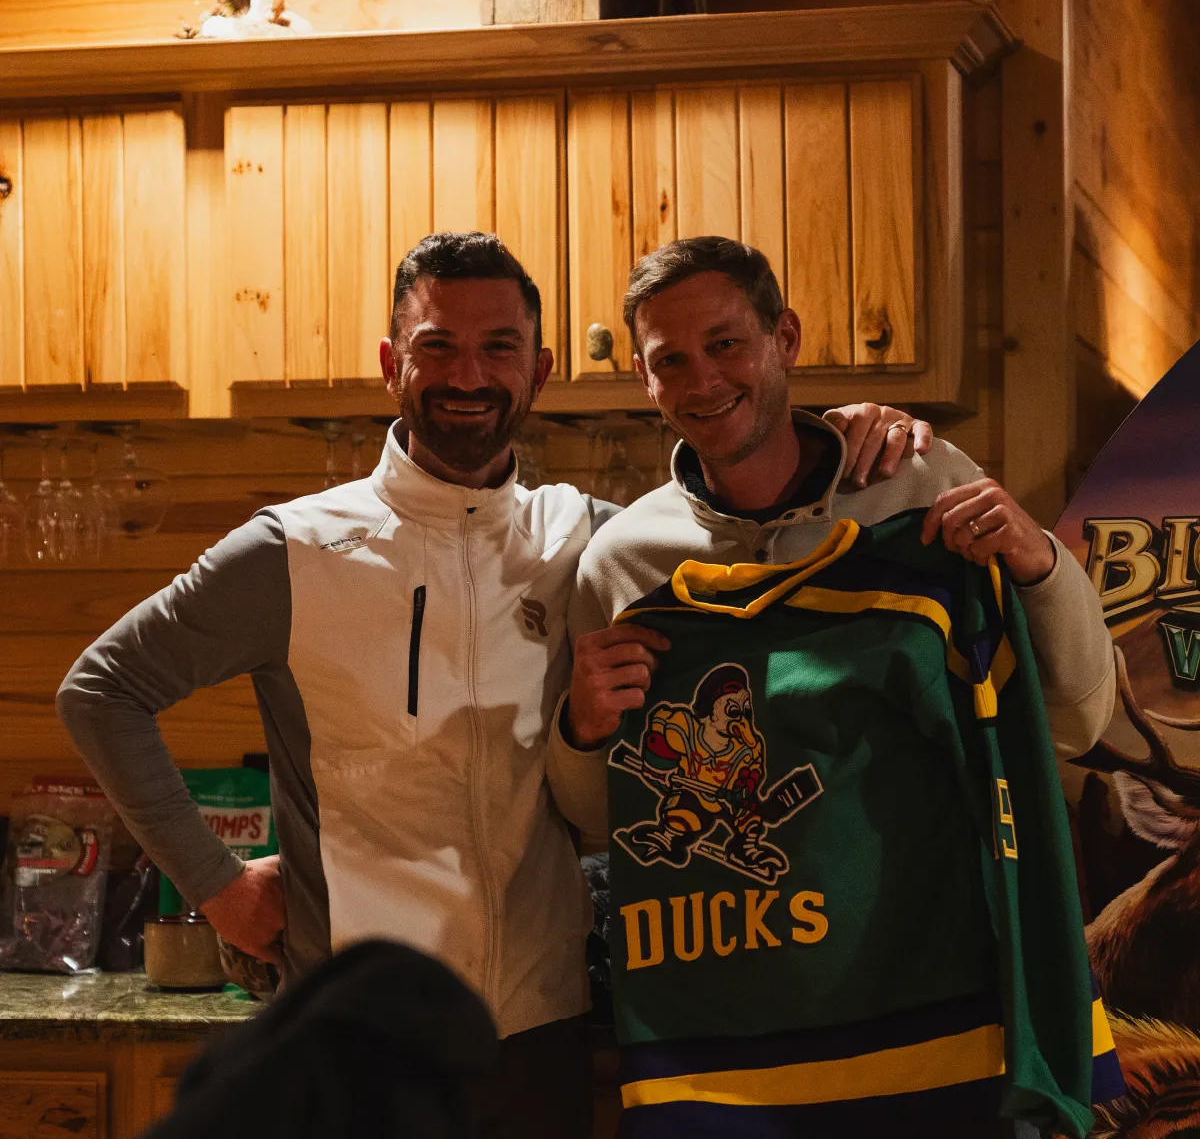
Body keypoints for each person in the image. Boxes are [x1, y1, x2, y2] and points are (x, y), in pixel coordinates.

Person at [56, 231, 925, 1139]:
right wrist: (217, 884)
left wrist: (856, 430)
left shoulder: (594, 539)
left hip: (540, 1031)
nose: (467, 375)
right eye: (437, 347)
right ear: (393, 363)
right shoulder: (293, 551)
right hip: (355, 1043)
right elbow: (100, 690)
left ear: (540, 370)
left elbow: (749, 529)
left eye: (498, 348)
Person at [546, 236, 1120, 1137]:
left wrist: (1041, 563)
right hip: (721, 1040)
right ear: (646, 381)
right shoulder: (623, 562)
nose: (702, 379)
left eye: (726, 344)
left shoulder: (916, 487)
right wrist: (580, 729)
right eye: (671, 361)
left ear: (786, 337)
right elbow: (597, 816)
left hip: (933, 1016)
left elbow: (1076, 719)